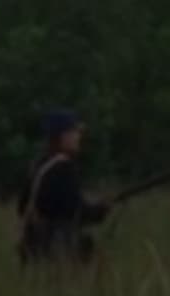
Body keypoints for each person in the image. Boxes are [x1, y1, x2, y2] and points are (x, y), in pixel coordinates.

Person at [17, 109, 110, 267]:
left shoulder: (40, 164)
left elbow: (22, 207)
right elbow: (75, 211)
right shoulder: (63, 168)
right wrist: (100, 210)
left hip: (34, 245)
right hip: (60, 249)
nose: (78, 137)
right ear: (63, 136)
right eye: (75, 132)